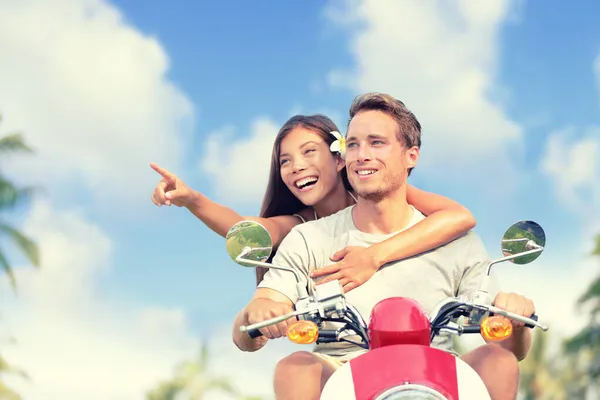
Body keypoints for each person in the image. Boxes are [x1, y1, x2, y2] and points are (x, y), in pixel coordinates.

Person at [232, 93, 535, 400]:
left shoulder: (454, 240)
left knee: (498, 361)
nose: (362, 154)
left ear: (411, 156)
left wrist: (516, 320)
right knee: (295, 367)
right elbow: (249, 330)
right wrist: (258, 313)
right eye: (353, 144)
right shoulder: (308, 238)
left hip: (436, 375)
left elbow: (512, 348)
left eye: (376, 142)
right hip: (341, 373)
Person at [150, 114, 476, 291]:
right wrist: (191, 199)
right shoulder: (302, 227)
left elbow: (459, 216)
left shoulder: (380, 196)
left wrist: (375, 256)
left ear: (340, 159)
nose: (297, 167)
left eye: (309, 152)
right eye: (285, 161)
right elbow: (245, 229)